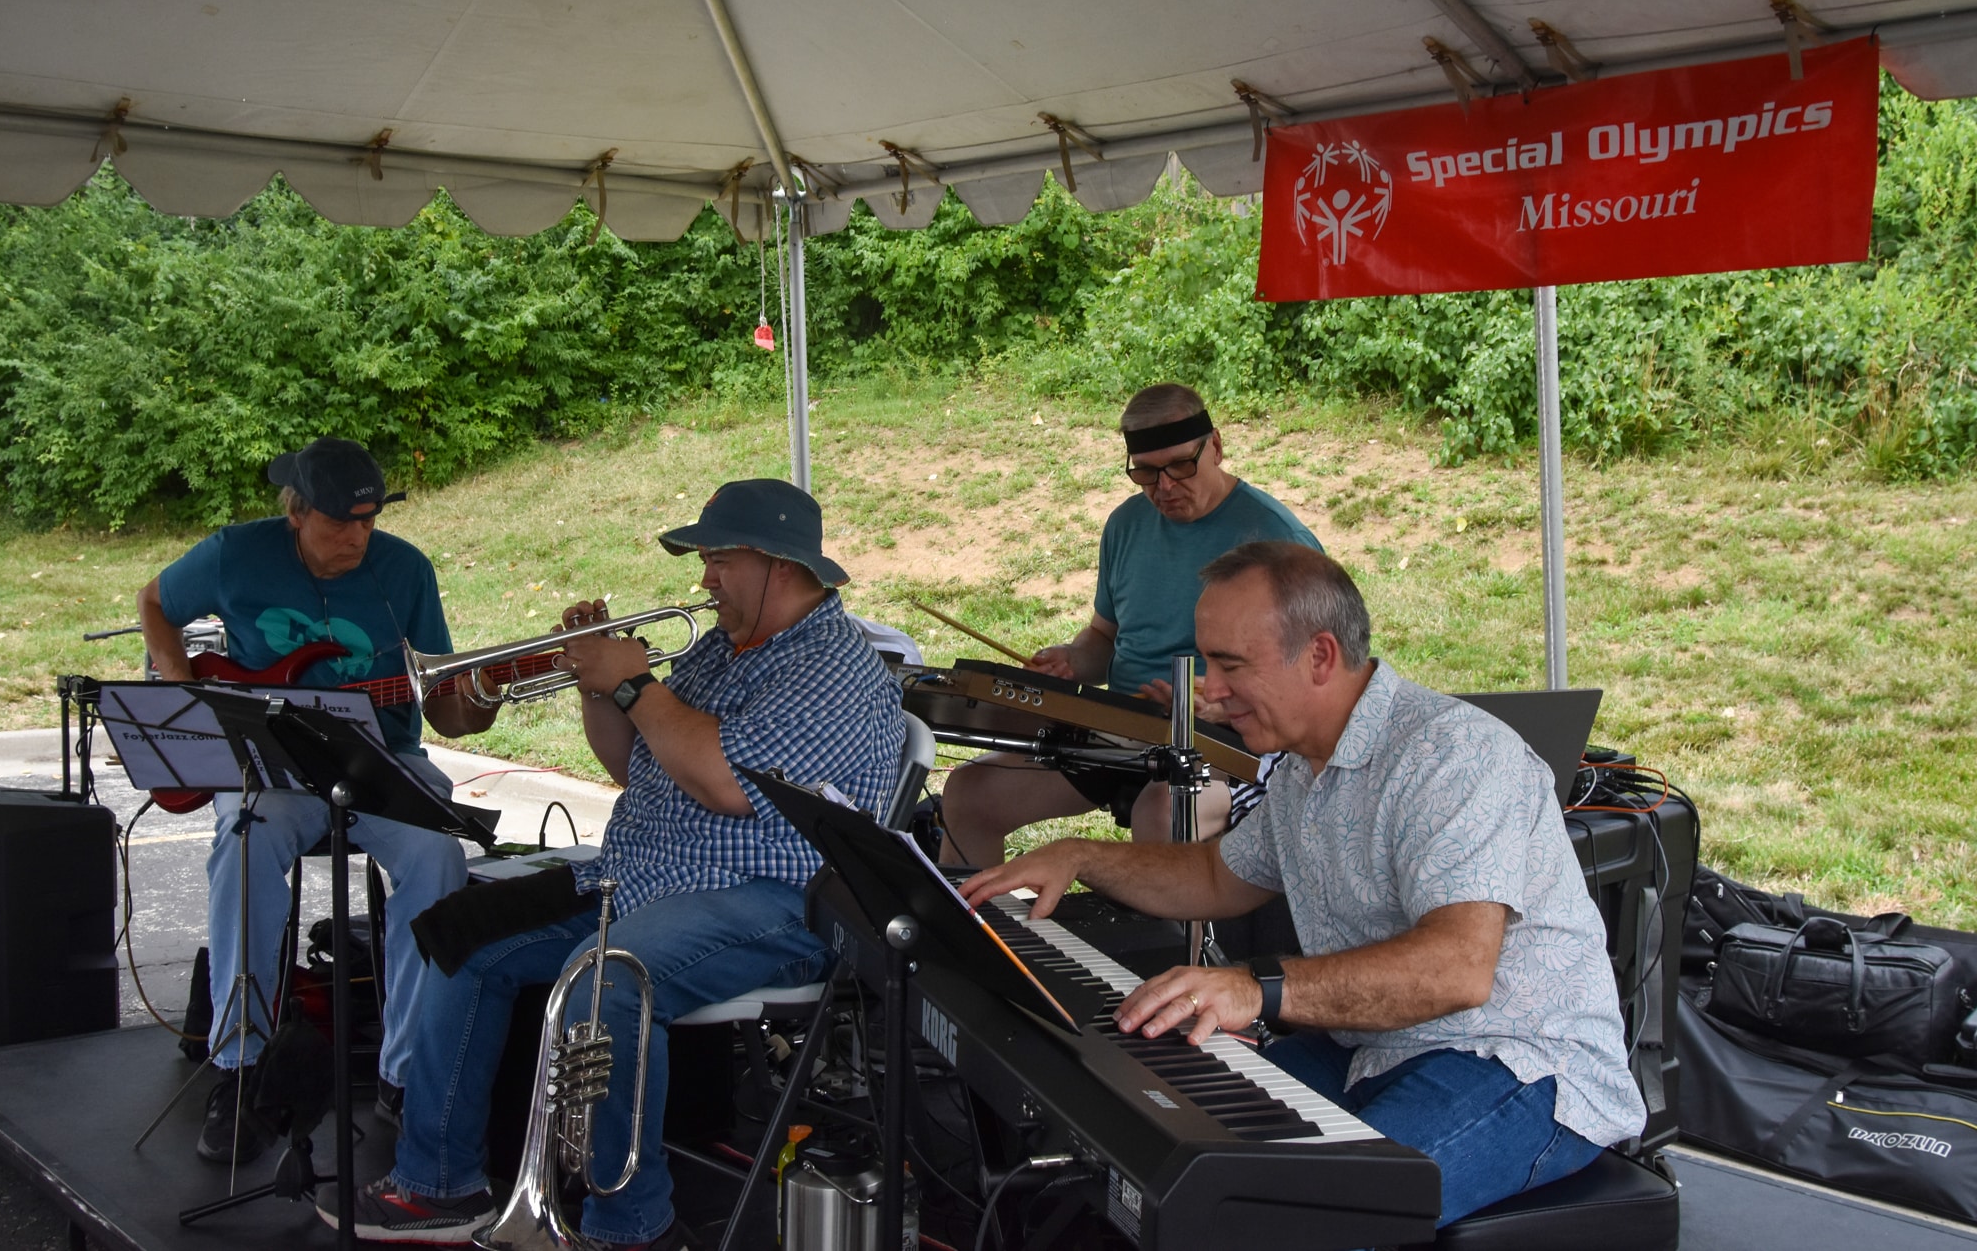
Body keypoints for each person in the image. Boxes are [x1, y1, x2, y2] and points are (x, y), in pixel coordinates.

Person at [961, 542, 1646, 1229]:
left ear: (1320, 656)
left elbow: (1457, 967)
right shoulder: (1300, 766)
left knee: (1288, 1220)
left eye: (1231, 664)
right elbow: (1215, 874)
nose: (1209, 688)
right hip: (1370, 1042)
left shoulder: (1453, 756)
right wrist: (1081, 856)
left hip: (1519, 1062)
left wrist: (1255, 987)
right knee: (1172, 1151)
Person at [328, 478, 904, 1250]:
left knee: (609, 980)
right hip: (646, 872)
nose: (704, 579)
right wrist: (601, 688)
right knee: (463, 935)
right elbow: (638, 764)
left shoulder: (832, 669)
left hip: (777, 896)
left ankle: (630, 1227)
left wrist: (634, 680)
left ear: (779, 564)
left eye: (719, 560)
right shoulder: (722, 648)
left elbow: (726, 784)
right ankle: (437, 1184)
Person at [136, 438, 498, 1164]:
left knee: (438, 855)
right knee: (244, 839)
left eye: (367, 521)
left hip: (386, 761)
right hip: (273, 767)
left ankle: (404, 1075)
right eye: (339, 522)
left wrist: (481, 701)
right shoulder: (237, 554)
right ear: (296, 513)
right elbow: (155, 600)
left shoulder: (406, 570)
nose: (357, 537)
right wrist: (176, 676)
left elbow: (444, 711)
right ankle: (240, 1067)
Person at [938, 383, 1321, 866]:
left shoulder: (1277, 540)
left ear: (1216, 447)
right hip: (1121, 728)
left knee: (1164, 810)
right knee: (970, 793)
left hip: (1229, 741)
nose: (1162, 487)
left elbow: (1312, 679)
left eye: (1180, 466)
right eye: (1144, 472)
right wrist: (1073, 661)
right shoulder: (1126, 525)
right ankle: (979, 938)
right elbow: (1105, 636)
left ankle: (1166, 938)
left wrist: (1226, 703)